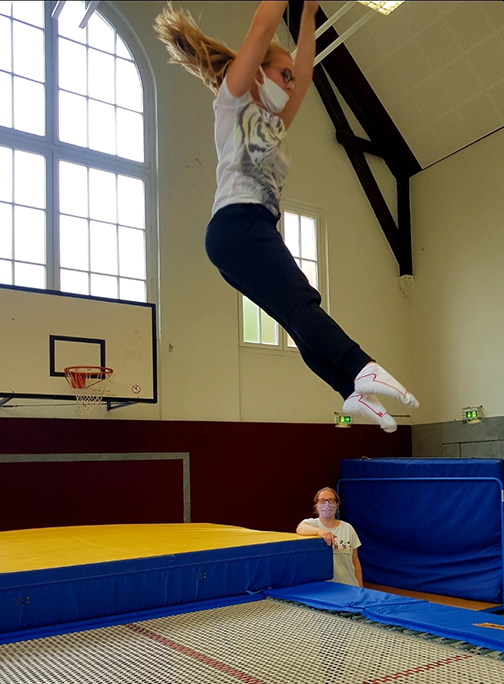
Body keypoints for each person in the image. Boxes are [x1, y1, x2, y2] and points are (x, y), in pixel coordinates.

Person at [154, 2, 418, 433]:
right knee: (302, 303)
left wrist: (309, 13)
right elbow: (262, 24)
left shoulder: (276, 123)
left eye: (291, 77)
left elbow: (308, 72)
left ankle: (347, 389)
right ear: (256, 70)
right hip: (236, 227)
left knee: (297, 319)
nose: (291, 83)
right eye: (283, 74)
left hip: (253, 231)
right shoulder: (234, 99)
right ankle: (358, 365)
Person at [296, 486, 362, 587]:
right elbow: (300, 528)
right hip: (324, 588)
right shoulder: (312, 524)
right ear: (317, 506)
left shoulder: (348, 528)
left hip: (349, 586)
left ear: (336, 505)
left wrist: (360, 588)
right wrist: (320, 531)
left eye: (330, 500)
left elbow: (355, 562)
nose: (326, 504)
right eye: (322, 500)